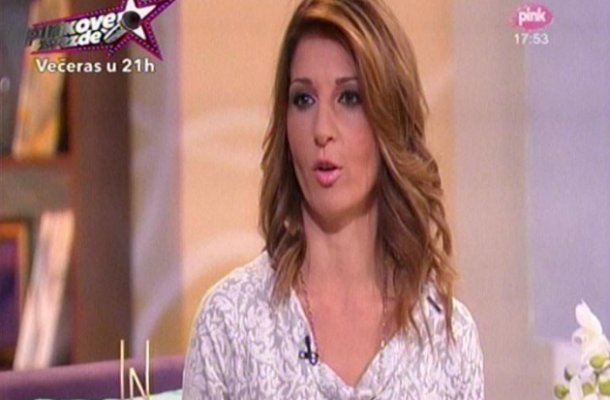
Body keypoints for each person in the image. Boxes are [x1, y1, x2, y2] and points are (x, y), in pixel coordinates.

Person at [183, 0, 484, 398]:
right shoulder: (229, 323)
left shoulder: (447, 339)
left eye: (350, 98)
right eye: (303, 100)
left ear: (390, 118)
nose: (322, 129)